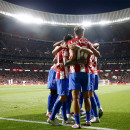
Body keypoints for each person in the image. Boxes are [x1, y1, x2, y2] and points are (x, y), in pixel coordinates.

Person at [67, 26, 100, 128]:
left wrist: (71, 57)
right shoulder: (88, 43)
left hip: (75, 72)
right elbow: (98, 55)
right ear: (83, 33)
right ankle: (88, 120)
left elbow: (71, 57)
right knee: (87, 97)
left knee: (75, 98)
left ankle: (77, 123)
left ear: (74, 33)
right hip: (86, 72)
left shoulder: (71, 42)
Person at [47, 34, 73, 126]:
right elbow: (65, 63)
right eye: (71, 42)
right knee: (62, 97)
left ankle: (65, 119)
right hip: (62, 75)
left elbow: (54, 54)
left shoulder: (61, 48)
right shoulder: (65, 49)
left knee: (65, 97)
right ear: (68, 41)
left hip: (64, 75)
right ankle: (52, 117)